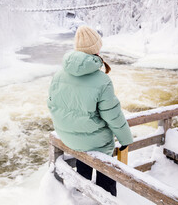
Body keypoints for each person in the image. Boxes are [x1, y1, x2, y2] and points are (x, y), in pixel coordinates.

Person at [47, 25, 133, 196]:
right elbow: (113, 116)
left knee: (83, 160)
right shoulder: (102, 80)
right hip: (96, 143)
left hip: (70, 138)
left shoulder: (58, 75)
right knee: (106, 171)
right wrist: (125, 139)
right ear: (95, 49)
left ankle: (80, 192)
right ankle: (106, 197)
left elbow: (53, 106)